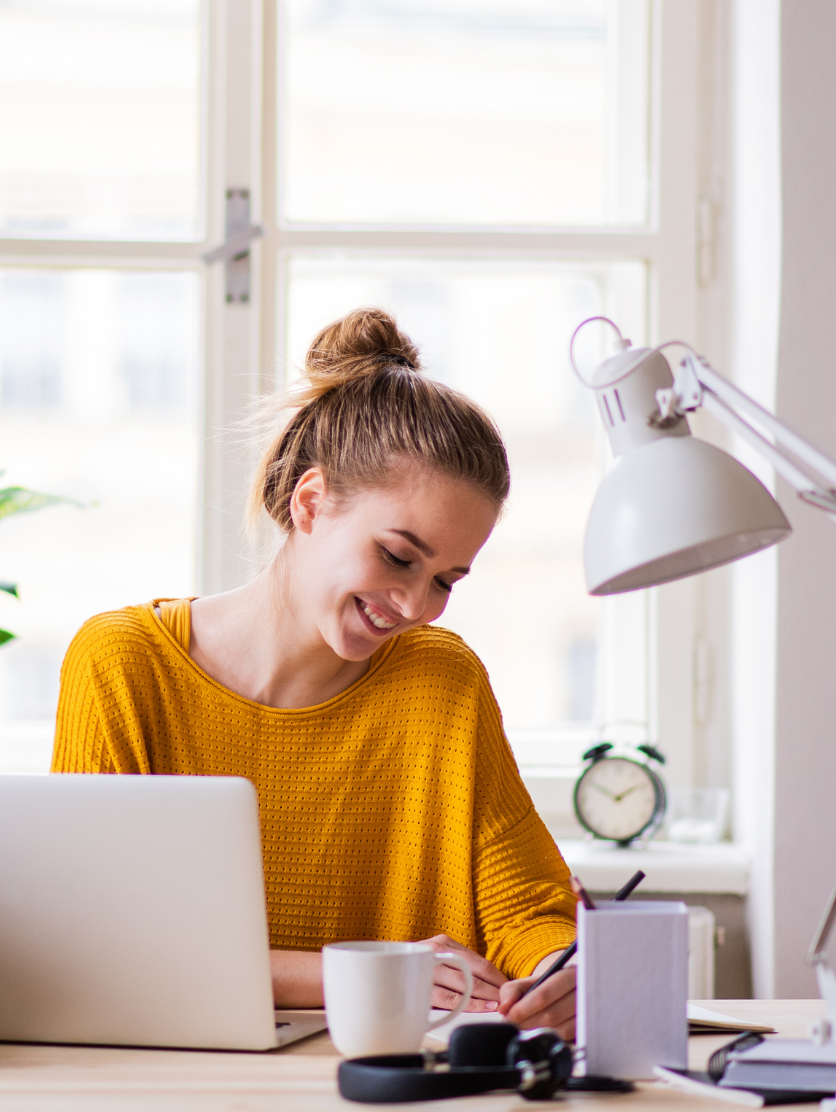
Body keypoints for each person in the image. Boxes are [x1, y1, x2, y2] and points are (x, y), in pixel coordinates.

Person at [52, 308, 580, 1036]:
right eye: (398, 556)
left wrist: (561, 972)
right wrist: (378, 972)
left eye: (446, 580)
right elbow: (101, 943)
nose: (415, 604)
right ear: (310, 502)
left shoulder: (442, 682)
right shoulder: (123, 664)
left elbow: (525, 907)